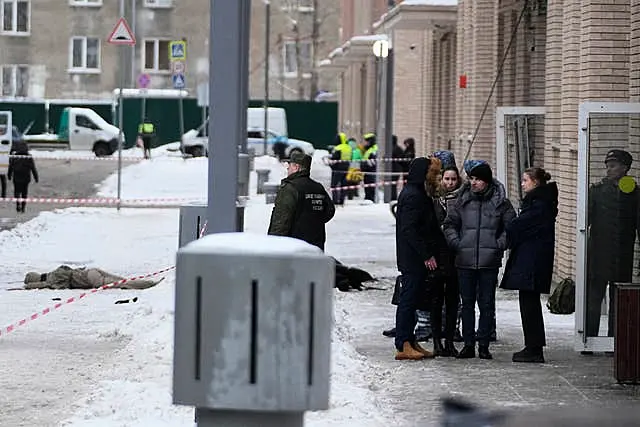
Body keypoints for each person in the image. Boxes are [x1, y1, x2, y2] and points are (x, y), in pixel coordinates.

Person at [444, 160, 515, 359]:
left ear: (487, 181)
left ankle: (483, 344)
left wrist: (498, 244)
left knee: (486, 303)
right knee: (466, 304)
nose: (473, 183)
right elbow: (449, 225)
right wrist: (457, 243)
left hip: (488, 261)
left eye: (478, 179)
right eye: (472, 178)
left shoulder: (501, 202)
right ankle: (468, 344)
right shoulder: (461, 200)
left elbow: (510, 228)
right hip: (464, 260)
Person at [500, 167, 558, 363]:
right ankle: (532, 345)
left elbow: (518, 225)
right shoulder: (538, 202)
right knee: (528, 303)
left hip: (532, 260)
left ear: (536, 182)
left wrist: (507, 221)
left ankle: (534, 348)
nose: (522, 183)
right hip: (531, 258)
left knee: (529, 304)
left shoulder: (539, 205)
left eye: (525, 180)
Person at [585, 149, 639, 343]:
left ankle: (614, 339)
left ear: (625, 168)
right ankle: (589, 338)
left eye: (613, 166)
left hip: (621, 256)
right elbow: (585, 223)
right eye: (607, 166)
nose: (609, 169)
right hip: (599, 255)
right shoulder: (597, 191)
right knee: (593, 300)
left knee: (618, 301)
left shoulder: (633, 193)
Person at [394, 156, 444, 360]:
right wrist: (426, 255)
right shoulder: (414, 196)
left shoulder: (419, 193)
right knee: (408, 299)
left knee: (414, 299)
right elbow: (410, 229)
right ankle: (403, 343)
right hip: (413, 258)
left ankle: (411, 340)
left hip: (415, 257)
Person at [268, 152, 335, 251]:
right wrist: (313, 221)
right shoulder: (318, 187)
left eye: (289, 166)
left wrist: (274, 242)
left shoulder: (290, 188)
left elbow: (281, 218)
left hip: (294, 245)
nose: (287, 168)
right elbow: (330, 210)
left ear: (296, 167)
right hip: (316, 244)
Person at [431, 150, 462, 357]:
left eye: (453, 179)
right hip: (437, 256)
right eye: (446, 179)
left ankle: (450, 339)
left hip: (456, 256)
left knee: (453, 300)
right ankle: (437, 341)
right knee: (435, 300)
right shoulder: (433, 199)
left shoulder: (462, 199)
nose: (449, 183)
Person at [22, 265, 162, 290]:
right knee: (122, 280)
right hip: (91, 271)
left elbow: (45, 285)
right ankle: (148, 282)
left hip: (90, 279)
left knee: (121, 284)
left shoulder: (53, 278)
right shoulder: (57, 271)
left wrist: (27, 286)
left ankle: (149, 284)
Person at [8, 140, 38, 213]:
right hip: (26, 177)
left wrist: (9, 175)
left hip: (17, 177)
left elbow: (11, 166)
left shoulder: (15, 156)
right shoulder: (28, 156)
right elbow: (33, 167)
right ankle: (23, 207)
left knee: (17, 191)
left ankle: (18, 203)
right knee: (24, 192)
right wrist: (36, 177)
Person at [329, 132, 352, 205]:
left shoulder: (338, 148)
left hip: (337, 168)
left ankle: (335, 200)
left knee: (334, 185)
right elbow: (350, 157)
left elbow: (334, 158)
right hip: (346, 167)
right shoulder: (349, 147)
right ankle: (342, 200)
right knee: (343, 184)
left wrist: (331, 165)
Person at [361, 133, 378, 202]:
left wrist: (365, 164)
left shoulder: (374, 149)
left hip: (371, 171)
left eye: (367, 141)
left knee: (370, 185)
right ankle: (368, 198)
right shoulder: (369, 149)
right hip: (367, 171)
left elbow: (373, 162)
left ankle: (370, 198)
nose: (365, 143)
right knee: (367, 185)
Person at [390, 135, 404, 201]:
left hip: (394, 169)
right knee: (393, 184)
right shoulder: (398, 148)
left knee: (393, 185)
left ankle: (393, 198)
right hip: (395, 169)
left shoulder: (394, 148)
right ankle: (393, 197)